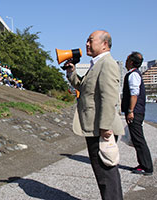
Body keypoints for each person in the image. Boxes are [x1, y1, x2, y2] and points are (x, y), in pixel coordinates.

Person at [65, 30, 124, 200]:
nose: (87, 44)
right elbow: (84, 88)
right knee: (104, 173)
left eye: (91, 41)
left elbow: (109, 97)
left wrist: (105, 127)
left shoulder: (107, 64)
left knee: (106, 173)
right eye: (87, 41)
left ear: (104, 44)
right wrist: (71, 73)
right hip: (95, 126)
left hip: (100, 127)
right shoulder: (97, 64)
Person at [121, 52, 153, 176]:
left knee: (139, 139)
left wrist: (130, 111)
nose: (125, 61)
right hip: (137, 110)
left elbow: (134, 94)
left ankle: (147, 167)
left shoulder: (133, 75)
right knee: (136, 138)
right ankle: (143, 164)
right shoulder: (134, 74)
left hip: (135, 111)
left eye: (127, 59)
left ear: (131, 62)